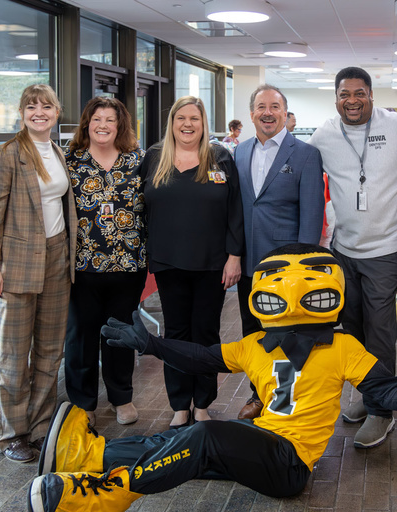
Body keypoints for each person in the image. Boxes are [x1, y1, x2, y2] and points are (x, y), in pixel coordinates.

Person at [27, 244, 397, 511]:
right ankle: (88, 453)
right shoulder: (254, 346)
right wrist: (151, 344)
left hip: (289, 466)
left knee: (203, 435)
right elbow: (203, 357)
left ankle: (105, 497)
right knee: (183, 447)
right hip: (259, 438)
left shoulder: (340, 347)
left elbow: (382, 386)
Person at [308, 66, 397, 449]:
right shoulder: (323, 135)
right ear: (335, 97)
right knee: (352, 330)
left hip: (387, 249)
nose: (351, 101)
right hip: (344, 250)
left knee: (380, 330)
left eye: (359, 93)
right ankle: (368, 394)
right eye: (344, 95)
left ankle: (382, 411)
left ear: (371, 94)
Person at [0, 84, 77, 463]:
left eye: (46, 106)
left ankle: (39, 428)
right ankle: (10, 435)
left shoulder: (57, 152)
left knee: (50, 353)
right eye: (32, 107)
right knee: (12, 354)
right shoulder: (4, 155)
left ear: (56, 112)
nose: (40, 112)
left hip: (56, 261)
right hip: (15, 264)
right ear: (22, 113)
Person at [139, 96, 244, 428]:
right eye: (181, 118)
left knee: (207, 333)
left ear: (204, 123)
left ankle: (203, 403)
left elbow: (235, 210)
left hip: (212, 263)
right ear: (171, 123)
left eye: (194, 118)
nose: (187, 124)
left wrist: (234, 256)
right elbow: (138, 207)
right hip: (169, 262)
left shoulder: (220, 157)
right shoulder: (155, 158)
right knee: (176, 333)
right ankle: (180, 404)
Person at [233, 84, 325, 420]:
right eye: (261, 106)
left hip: (287, 267)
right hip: (249, 265)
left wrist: (302, 269)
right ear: (252, 113)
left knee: (288, 336)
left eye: (274, 106)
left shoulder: (305, 154)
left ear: (285, 113)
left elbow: (312, 216)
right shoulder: (240, 152)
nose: (267, 112)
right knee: (254, 333)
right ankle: (259, 394)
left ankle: (287, 399)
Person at [64, 97, 146, 427]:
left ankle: (121, 398)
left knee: (120, 335)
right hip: (83, 266)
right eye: (97, 118)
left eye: (110, 120)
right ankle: (83, 403)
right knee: (81, 336)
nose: (103, 125)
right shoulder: (70, 162)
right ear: (87, 123)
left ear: (120, 126)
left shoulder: (138, 161)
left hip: (129, 265)